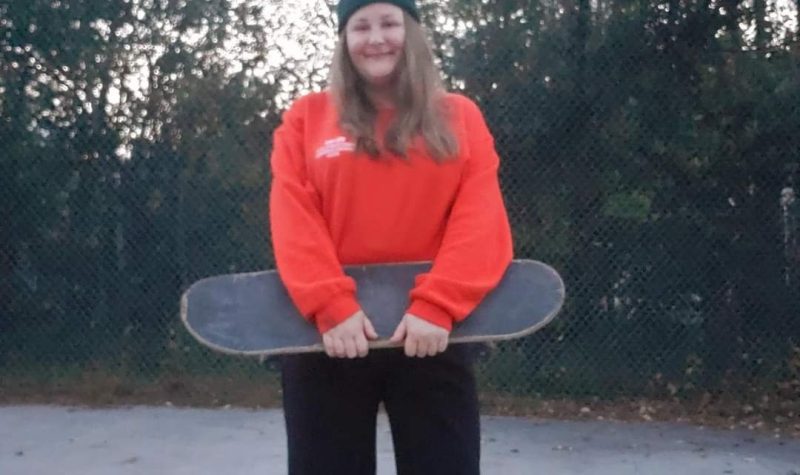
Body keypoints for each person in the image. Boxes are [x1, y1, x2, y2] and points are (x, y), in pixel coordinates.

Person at [268, 1, 513, 473]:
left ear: (413, 33)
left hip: (433, 336)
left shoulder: (459, 116)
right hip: (329, 340)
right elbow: (293, 215)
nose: (375, 37)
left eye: (388, 23)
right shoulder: (306, 118)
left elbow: (480, 218)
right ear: (344, 41)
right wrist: (330, 304)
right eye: (360, 26)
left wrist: (438, 305)